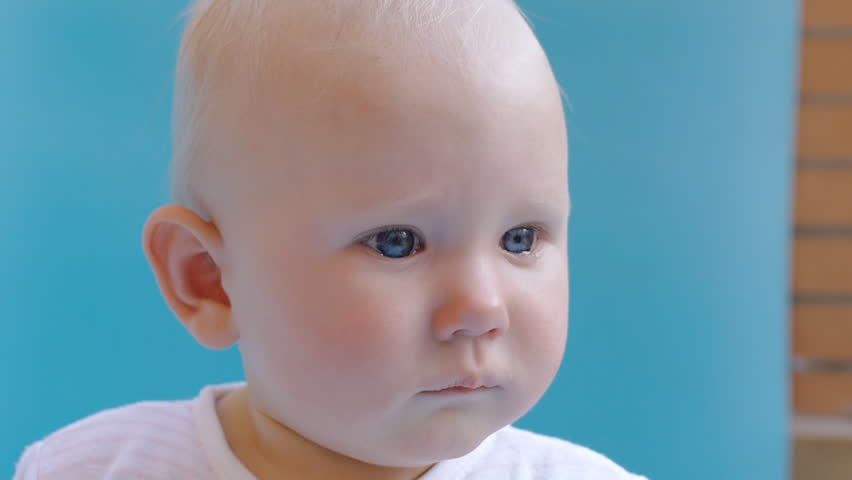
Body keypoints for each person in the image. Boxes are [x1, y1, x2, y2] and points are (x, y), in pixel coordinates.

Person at [14, 0, 650, 478]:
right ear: (209, 280)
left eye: (518, 238)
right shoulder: (94, 468)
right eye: (398, 242)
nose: (483, 308)